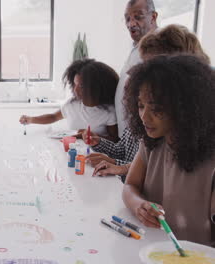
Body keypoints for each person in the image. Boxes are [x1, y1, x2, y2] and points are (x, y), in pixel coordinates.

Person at [91, 24, 211, 177]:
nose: (142, 74)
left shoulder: (187, 132)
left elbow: (161, 172)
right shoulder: (143, 110)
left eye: (152, 66)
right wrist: (101, 145)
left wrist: (118, 165)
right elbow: (127, 153)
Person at [122, 55, 215, 246]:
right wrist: (138, 205)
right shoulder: (151, 144)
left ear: (185, 109)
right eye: (140, 105)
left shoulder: (210, 157)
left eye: (156, 109)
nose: (144, 116)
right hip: (152, 248)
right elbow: (130, 186)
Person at [19, 59, 119, 142]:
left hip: (97, 155)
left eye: (81, 86)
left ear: (96, 88)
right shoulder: (72, 104)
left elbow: (114, 139)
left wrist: (89, 136)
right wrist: (31, 119)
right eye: (75, 84)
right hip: (74, 150)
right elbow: (53, 117)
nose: (75, 90)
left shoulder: (109, 111)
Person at [115, 0, 158, 137]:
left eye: (138, 17)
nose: (131, 24)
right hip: (128, 137)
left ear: (153, 17)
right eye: (128, 19)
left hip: (145, 135)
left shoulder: (159, 47)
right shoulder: (136, 47)